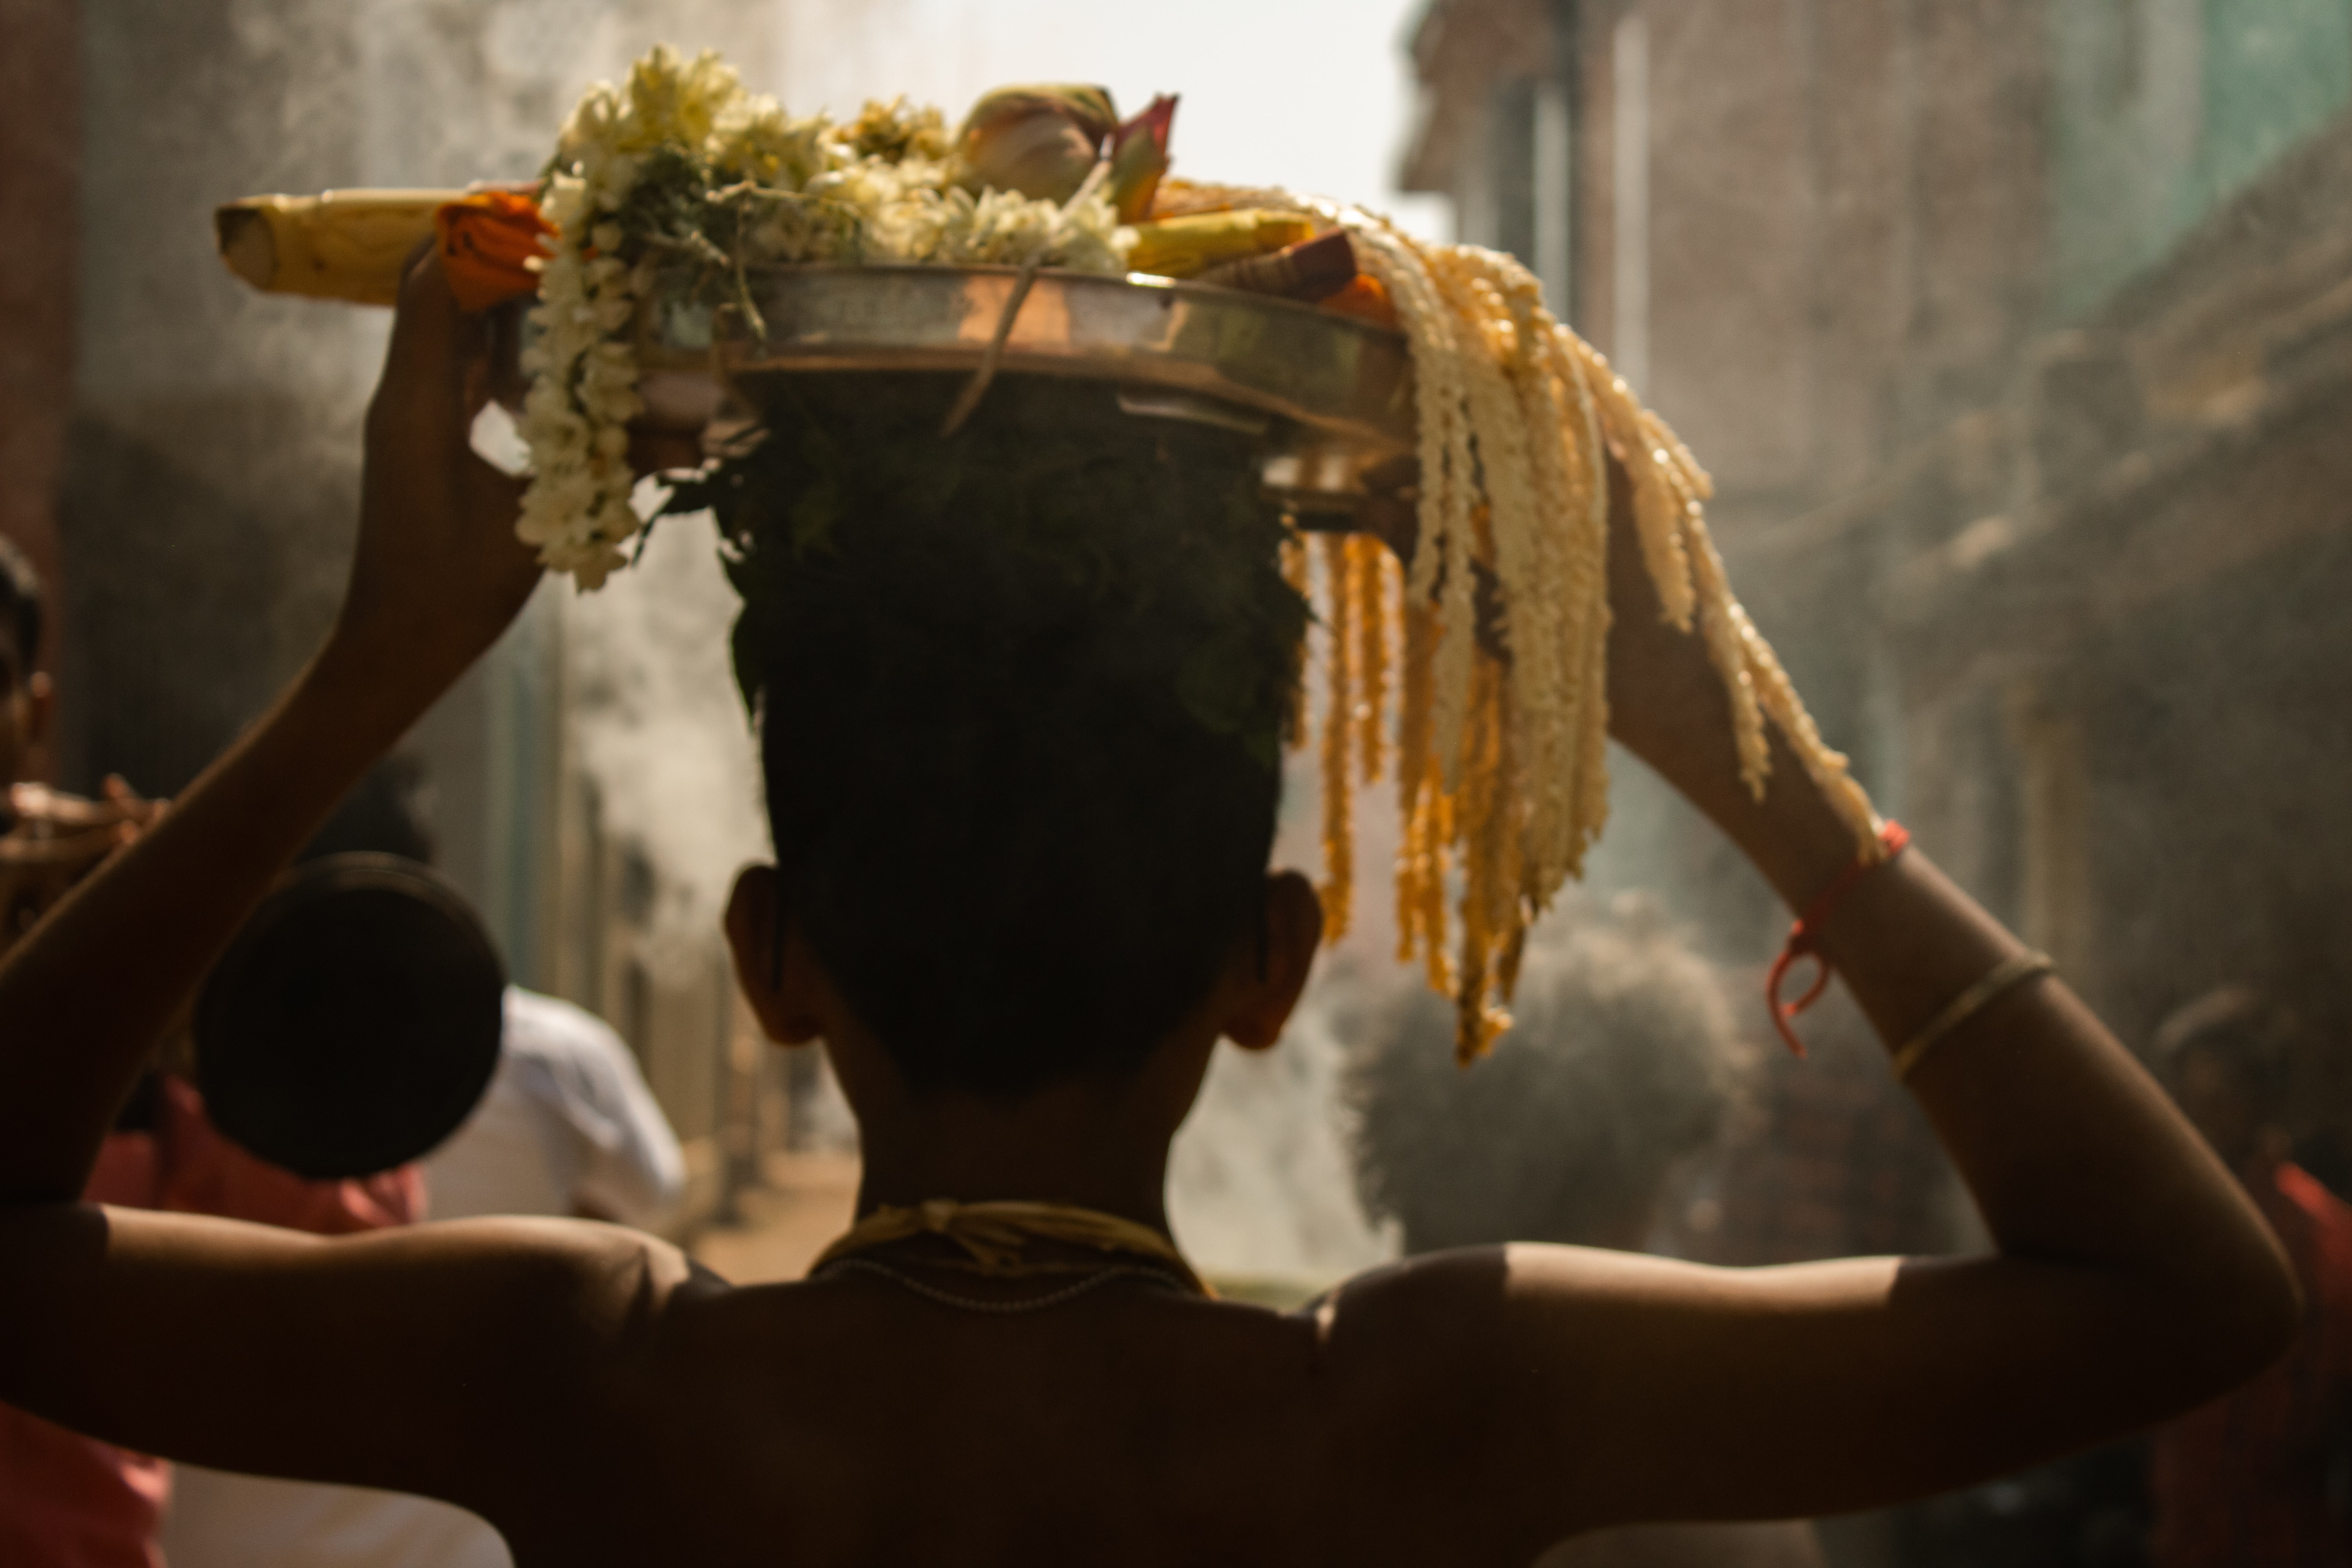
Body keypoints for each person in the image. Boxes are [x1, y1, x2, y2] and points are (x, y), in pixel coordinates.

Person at [0, 250, 2307, 1564]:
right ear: (1275, 963)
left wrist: (369, 673)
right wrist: (1721, 734)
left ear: (769, 962)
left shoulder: (578, 1376)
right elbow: (2186, 1290)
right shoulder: (1417, 1410)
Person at [1350, 907, 1824, 1568]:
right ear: (1627, 1191)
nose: (1682, 1217)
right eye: (1669, 1181)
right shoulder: (1686, 1479)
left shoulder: (1295, 1411)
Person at [2147, 986, 2352, 1566]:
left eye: (2220, 1098)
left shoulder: (2324, 1238)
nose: (2201, 1117)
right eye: (2189, 1098)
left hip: (2282, 1542)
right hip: (2183, 1537)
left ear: (2264, 1100)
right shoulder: (2169, 1219)